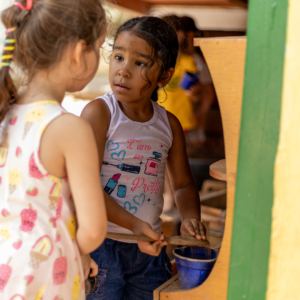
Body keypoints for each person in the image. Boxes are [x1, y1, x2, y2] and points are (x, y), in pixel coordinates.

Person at [81, 16, 206, 300]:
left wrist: (189, 217)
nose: (123, 70)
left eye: (139, 63)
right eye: (118, 56)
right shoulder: (100, 114)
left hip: (149, 251)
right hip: (101, 246)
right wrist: (136, 226)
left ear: (164, 76)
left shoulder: (168, 125)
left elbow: (184, 185)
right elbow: (86, 187)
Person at [0, 0, 107, 298]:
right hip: (45, 272)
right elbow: (93, 230)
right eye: (98, 47)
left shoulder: (3, 110)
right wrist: (77, 251)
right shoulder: (69, 129)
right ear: (77, 52)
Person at [180, 16, 215, 143]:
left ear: (189, 35)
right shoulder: (178, 59)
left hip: (190, 124)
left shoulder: (196, 61)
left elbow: (209, 93)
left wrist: (199, 116)